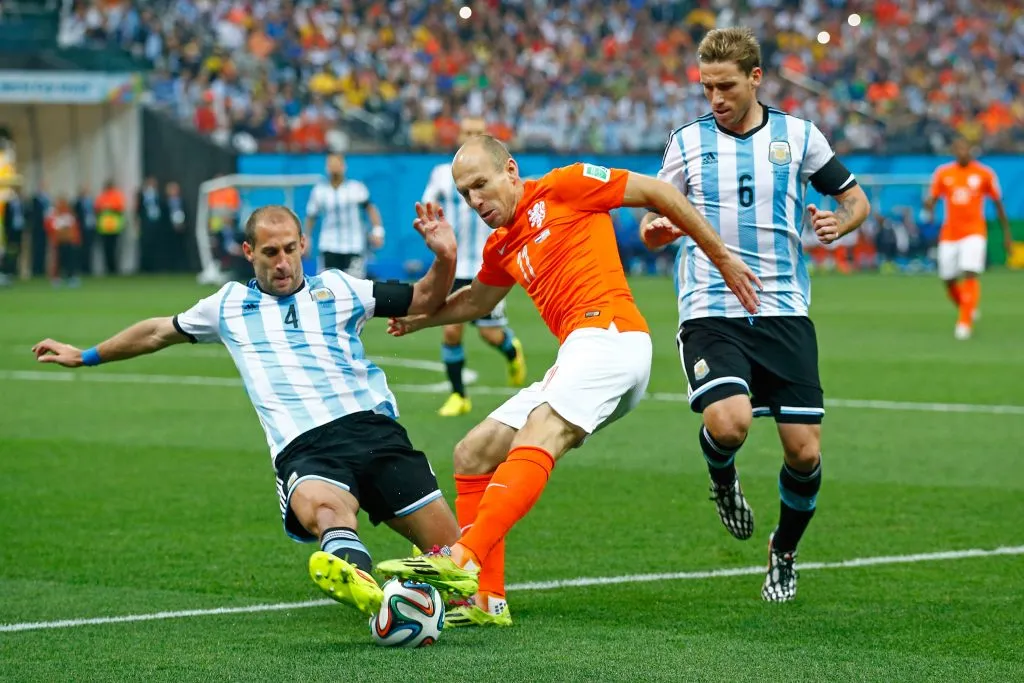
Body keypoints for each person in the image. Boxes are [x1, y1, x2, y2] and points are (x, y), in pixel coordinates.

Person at [376, 135, 761, 625]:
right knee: (473, 453)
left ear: (510, 171)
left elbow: (663, 194)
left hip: (611, 335)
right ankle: (485, 601)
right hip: (581, 352)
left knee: (541, 429)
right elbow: (477, 301)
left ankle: (461, 558)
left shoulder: (568, 185)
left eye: (480, 185)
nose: (474, 202)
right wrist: (419, 320)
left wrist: (722, 257)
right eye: (464, 194)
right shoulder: (500, 245)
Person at [31, 203, 462, 620]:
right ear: (248, 252)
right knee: (328, 511)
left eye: (290, 249)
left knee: (457, 562)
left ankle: (432, 589)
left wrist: (445, 257)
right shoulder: (228, 305)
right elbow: (158, 331)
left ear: (303, 245)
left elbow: (424, 297)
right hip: (306, 447)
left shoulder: (342, 288)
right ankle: (360, 579)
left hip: (373, 431)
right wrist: (85, 355)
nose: (282, 263)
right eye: (271, 252)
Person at [643, 27, 870, 602]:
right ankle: (724, 480)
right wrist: (656, 229)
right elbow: (652, 222)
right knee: (728, 422)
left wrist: (839, 224)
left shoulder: (799, 136)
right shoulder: (687, 143)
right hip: (710, 305)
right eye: (706, 87)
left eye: (725, 86)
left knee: (805, 451)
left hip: (783, 308)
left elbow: (855, 199)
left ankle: (784, 551)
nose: (715, 98)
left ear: (755, 78)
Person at [422, 117, 527, 417]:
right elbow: (429, 205)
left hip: (488, 263)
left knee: (489, 335)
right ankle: (459, 396)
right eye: (465, 131)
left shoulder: (495, 171)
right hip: (454, 266)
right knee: (451, 332)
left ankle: (510, 349)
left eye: (475, 132)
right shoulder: (443, 175)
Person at [923, 137, 1012, 340]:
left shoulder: (984, 173)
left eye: (965, 148)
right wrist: (928, 206)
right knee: (948, 279)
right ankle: (967, 306)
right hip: (950, 234)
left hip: (974, 232)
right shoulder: (943, 173)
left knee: (970, 272)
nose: (962, 152)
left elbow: (998, 203)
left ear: (971, 150)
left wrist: (1006, 234)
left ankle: (964, 323)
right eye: (958, 148)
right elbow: (933, 199)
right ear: (954, 151)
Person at [303, 153, 384, 278]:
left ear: (344, 166)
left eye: (337, 163)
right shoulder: (319, 191)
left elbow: (371, 209)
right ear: (327, 167)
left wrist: (378, 230)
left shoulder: (356, 188)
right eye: (331, 164)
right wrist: (306, 238)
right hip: (328, 245)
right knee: (327, 284)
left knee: (356, 284)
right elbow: (311, 216)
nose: (334, 167)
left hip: (354, 245)